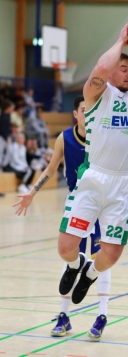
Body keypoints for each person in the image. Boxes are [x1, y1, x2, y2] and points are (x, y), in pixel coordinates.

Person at [56, 17, 128, 308]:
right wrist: (122, 39)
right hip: (93, 178)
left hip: (122, 183)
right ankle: (74, 267)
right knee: (66, 248)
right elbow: (99, 69)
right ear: (111, 73)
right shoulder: (96, 94)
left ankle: (90, 273)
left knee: (112, 253)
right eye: (123, 68)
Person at [13, 96, 111, 341]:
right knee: (68, 256)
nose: (88, 114)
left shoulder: (105, 137)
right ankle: (63, 316)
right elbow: (50, 169)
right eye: (83, 110)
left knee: (101, 258)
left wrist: (124, 210)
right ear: (76, 114)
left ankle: (101, 317)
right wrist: (31, 193)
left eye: (92, 111)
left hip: (100, 203)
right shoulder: (64, 138)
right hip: (76, 202)